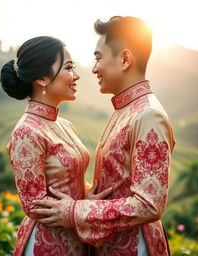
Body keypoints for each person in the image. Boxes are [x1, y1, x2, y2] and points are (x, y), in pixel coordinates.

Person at [31, 17, 176, 256]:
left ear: (125, 59)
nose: (94, 68)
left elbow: (150, 204)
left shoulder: (148, 115)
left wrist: (74, 212)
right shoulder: (126, 110)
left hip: (134, 247)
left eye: (98, 57)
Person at [0, 36, 112, 256]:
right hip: (47, 245)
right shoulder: (27, 132)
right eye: (69, 67)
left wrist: (85, 199)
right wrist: (82, 208)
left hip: (76, 241)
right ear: (42, 78)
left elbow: (72, 181)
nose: (76, 76)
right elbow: (34, 204)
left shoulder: (64, 124)